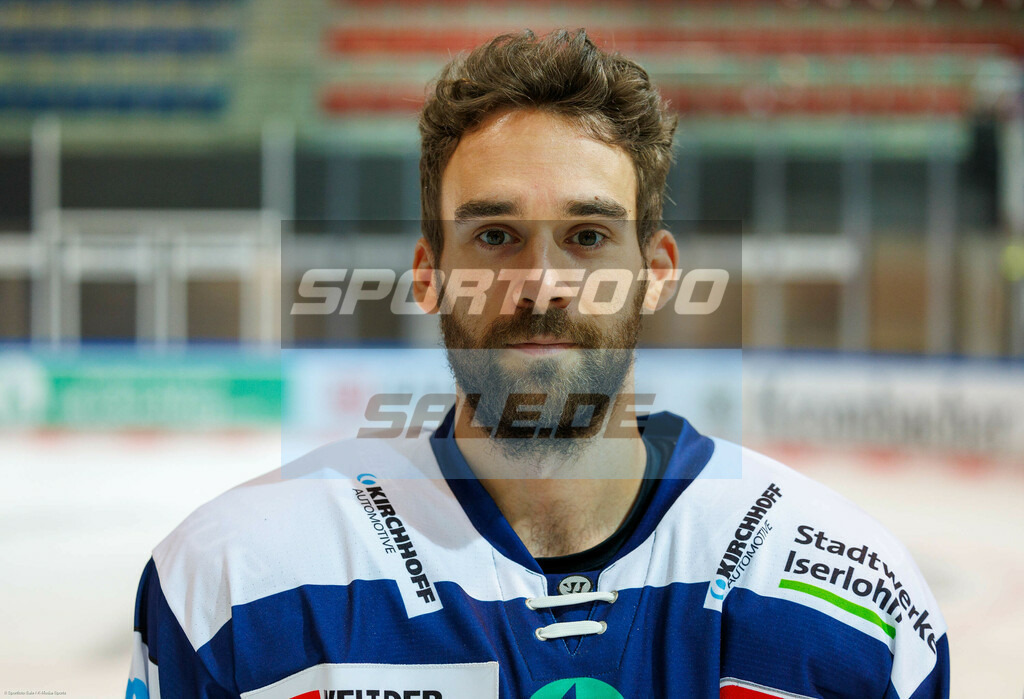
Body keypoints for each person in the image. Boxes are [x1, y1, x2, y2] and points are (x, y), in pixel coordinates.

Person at [127, 29, 949, 699]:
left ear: (656, 272)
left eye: (588, 236)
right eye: (494, 236)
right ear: (428, 272)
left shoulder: (850, 608)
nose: (540, 283)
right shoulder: (234, 588)